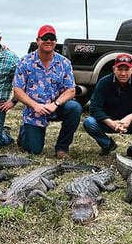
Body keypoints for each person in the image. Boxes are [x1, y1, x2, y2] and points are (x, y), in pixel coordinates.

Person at [13, 24, 83, 159]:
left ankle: (62, 148)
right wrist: (35, 106)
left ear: (55, 41)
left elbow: (71, 90)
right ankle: (24, 133)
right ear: (38, 40)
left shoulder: (64, 63)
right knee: (34, 151)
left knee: (75, 108)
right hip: (34, 111)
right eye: (45, 37)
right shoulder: (25, 62)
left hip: (55, 107)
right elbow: (17, 90)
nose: (49, 41)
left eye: (52, 38)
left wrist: (55, 104)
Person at [82, 53, 132, 162]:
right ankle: (108, 144)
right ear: (114, 69)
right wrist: (111, 123)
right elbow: (94, 108)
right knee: (89, 122)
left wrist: (129, 118)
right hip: (109, 122)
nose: (123, 73)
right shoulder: (104, 82)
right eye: (120, 69)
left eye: (126, 69)